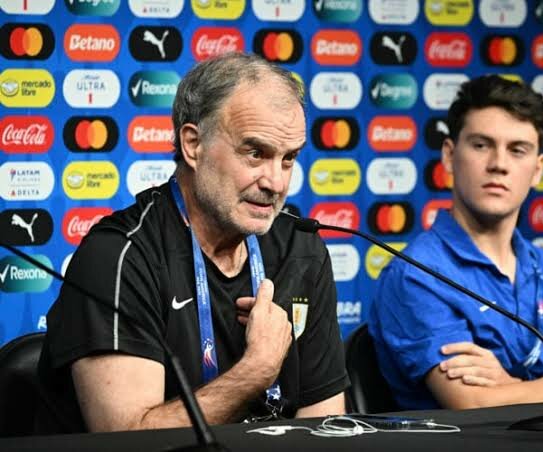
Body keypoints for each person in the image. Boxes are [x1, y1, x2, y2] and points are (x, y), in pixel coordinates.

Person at [36, 52, 349, 433]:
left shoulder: (301, 249)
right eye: (255, 153)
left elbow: (326, 428)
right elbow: (127, 440)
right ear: (192, 145)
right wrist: (257, 369)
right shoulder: (120, 256)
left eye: (288, 159)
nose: (276, 183)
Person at [368, 75, 543, 410]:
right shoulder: (417, 275)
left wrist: (511, 388)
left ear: (538, 169)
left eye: (518, 150)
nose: (498, 164)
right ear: (449, 155)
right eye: (481, 145)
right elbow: (473, 404)